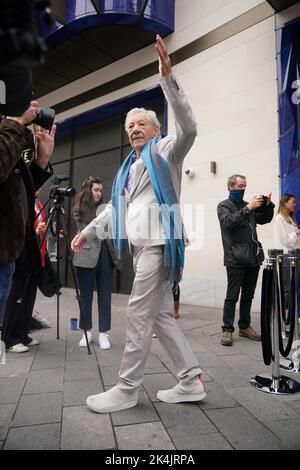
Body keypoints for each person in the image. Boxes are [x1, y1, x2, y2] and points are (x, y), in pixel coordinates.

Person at [71, 34, 205, 413]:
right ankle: (190, 379)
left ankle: (127, 387)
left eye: (140, 123)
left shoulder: (166, 151)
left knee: (139, 313)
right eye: (129, 125)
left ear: (154, 129)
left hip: (160, 243)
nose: (133, 129)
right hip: (141, 245)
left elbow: (190, 128)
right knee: (161, 315)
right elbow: (115, 210)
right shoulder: (128, 169)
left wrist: (168, 79)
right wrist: (85, 232)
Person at [1, 102, 56, 352]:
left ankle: (19, 331)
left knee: (27, 277)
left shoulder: (12, 135)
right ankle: (10, 336)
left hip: (18, 234)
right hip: (5, 241)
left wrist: (42, 158)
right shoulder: (10, 130)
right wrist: (16, 123)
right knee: (15, 284)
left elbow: (23, 187)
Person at [217, 174, 274, 347]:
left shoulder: (246, 205)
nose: (243, 189)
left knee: (248, 295)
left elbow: (264, 220)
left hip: (253, 257)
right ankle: (227, 329)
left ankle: (245, 326)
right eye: (240, 186)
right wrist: (249, 207)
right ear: (230, 187)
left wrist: (268, 206)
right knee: (232, 296)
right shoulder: (223, 206)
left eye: (244, 186)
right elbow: (228, 222)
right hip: (235, 258)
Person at [73, 177, 114, 350]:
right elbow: (90, 230)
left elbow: (108, 231)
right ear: (88, 190)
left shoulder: (106, 209)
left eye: (100, 190)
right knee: (85, 296)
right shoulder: (78, 209)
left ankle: (103, 333)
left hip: (104, 254)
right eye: (96, 190)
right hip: (85, 255)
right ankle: (86, 331)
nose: (99, 193)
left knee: (105, 295)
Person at [274, 194, 300, 317]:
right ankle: (286, 320)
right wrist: (296, 232)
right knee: (288, 289)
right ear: (285, 203)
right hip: (286, 257)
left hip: (295, 254)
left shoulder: (291, 219)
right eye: (292, 202)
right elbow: (286, 241)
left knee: (293, 288)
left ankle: (291, 319)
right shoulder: (279, 219)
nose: (295, 204)